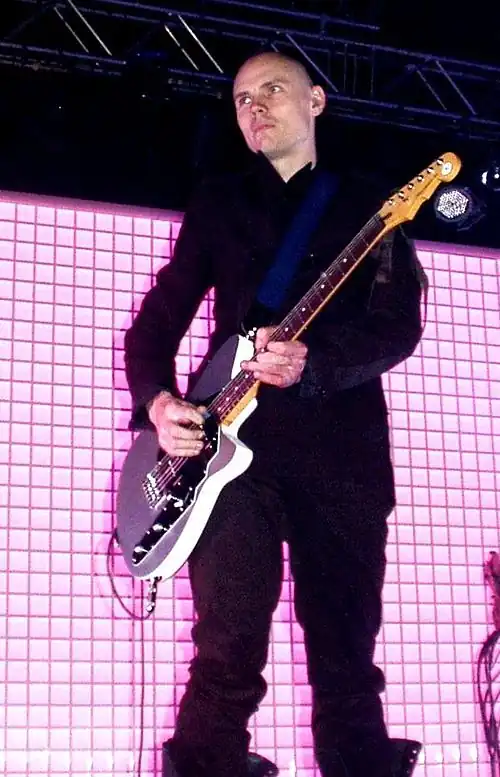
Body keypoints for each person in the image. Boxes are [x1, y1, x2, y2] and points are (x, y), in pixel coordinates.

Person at [124, 51, 424, 777]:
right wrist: (158, 402)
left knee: (346, 656)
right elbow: (158, 320)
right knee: (225, 650)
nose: (254, 107)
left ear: (316, 100)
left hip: (343, 457)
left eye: (272, 90)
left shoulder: (373, 204)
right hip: (230, 464)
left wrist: (314, 364)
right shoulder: (219, 202)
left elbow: (398, 325)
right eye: (240, 99)